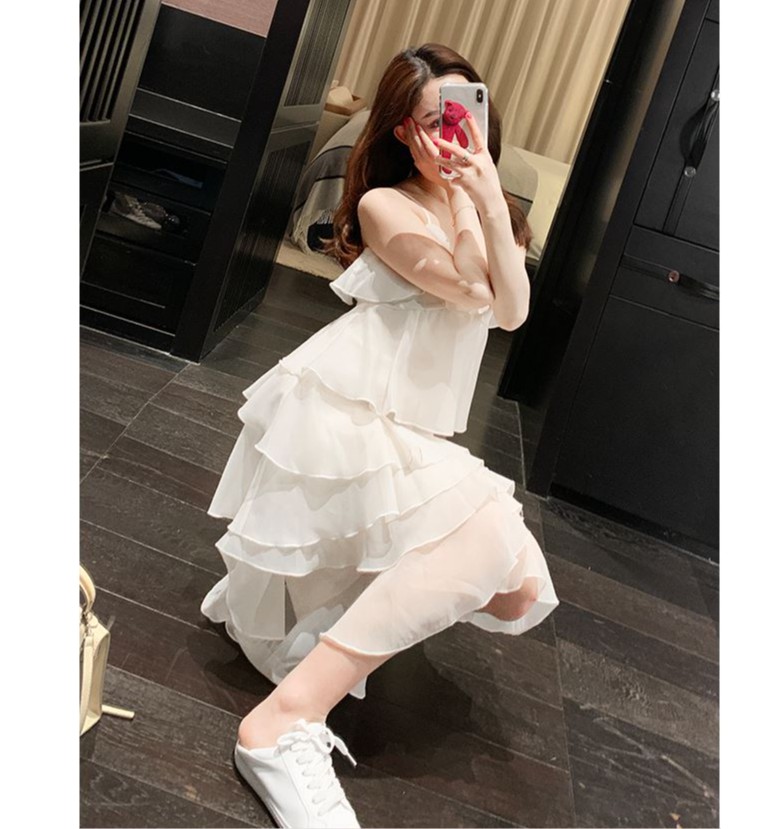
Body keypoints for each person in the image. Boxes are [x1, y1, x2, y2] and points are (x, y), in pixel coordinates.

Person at [200, 43, 560, 829]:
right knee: (488, 529)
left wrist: (485, 196)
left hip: (406, 426)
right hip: (346, 412)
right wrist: (469, 202)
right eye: (435, 121)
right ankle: (284, 723)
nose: (455, 134)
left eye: (465, 114)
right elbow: (469, 290)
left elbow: (512, 311)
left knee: (518, 590)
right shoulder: (384, 206)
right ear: (403, 131)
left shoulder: (488, 206)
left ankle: (354, 600)